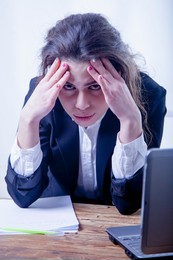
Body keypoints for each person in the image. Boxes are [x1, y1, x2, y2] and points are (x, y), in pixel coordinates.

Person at [5, 13, 166, 215]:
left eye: (95, 86)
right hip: (57, 222)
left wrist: (130, 120)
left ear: (119, 76)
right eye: (69, 86)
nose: (81, 105)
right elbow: (22, 196)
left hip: (112, 221)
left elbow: (128, 203)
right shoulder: (45, 95)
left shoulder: (149, 96)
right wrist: (28, 120)